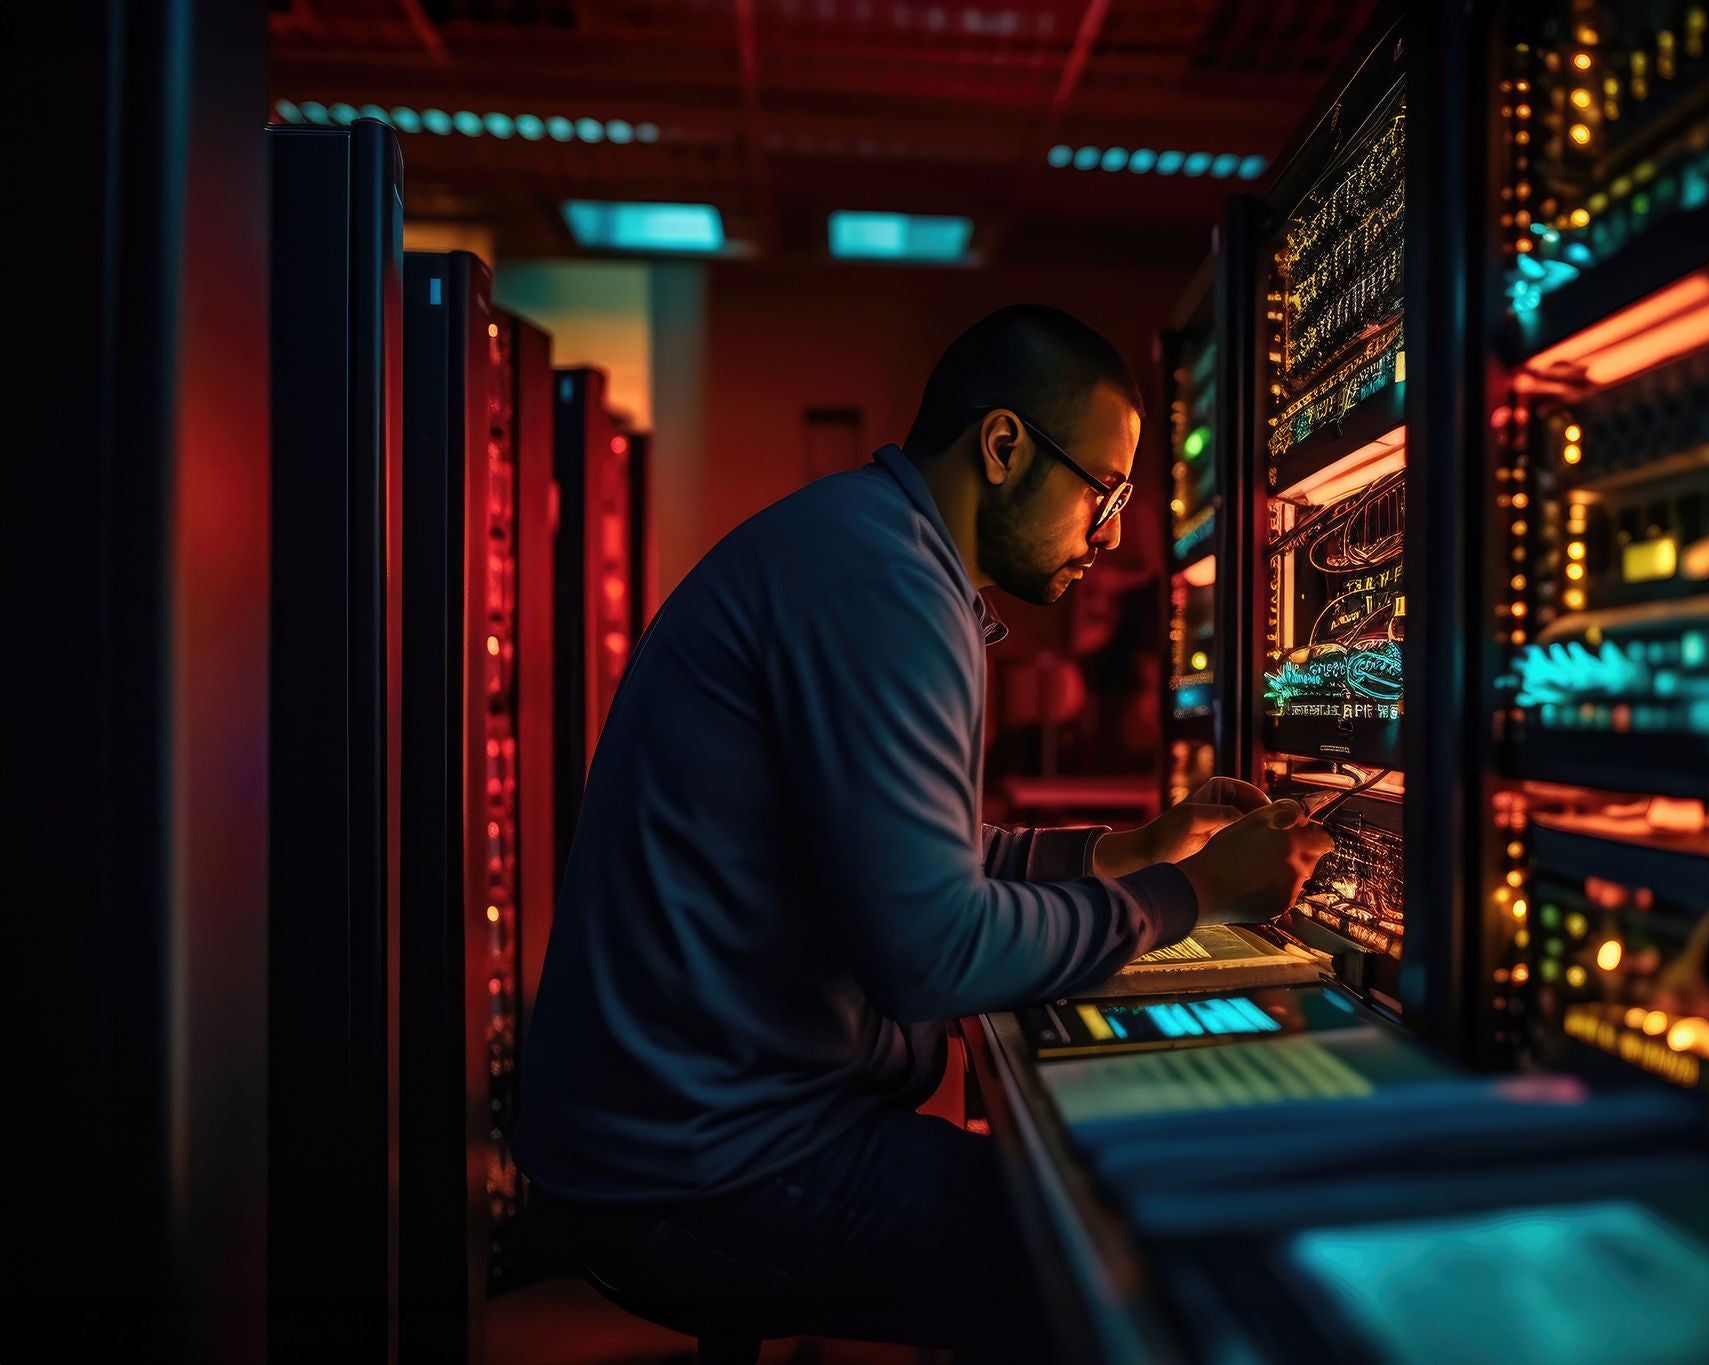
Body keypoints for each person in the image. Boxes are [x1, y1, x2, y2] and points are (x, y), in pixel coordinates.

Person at [513, 304, 1334, 1359]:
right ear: (1002, 447)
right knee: (1134, 1261)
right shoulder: (887, 583)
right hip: (706, 1174)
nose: (1114, 533)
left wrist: (1126, 855)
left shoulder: (868, 546)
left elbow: (906, 852)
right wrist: (1197, 897)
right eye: (1105, 490)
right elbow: (931, 951)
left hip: (679, 1140)